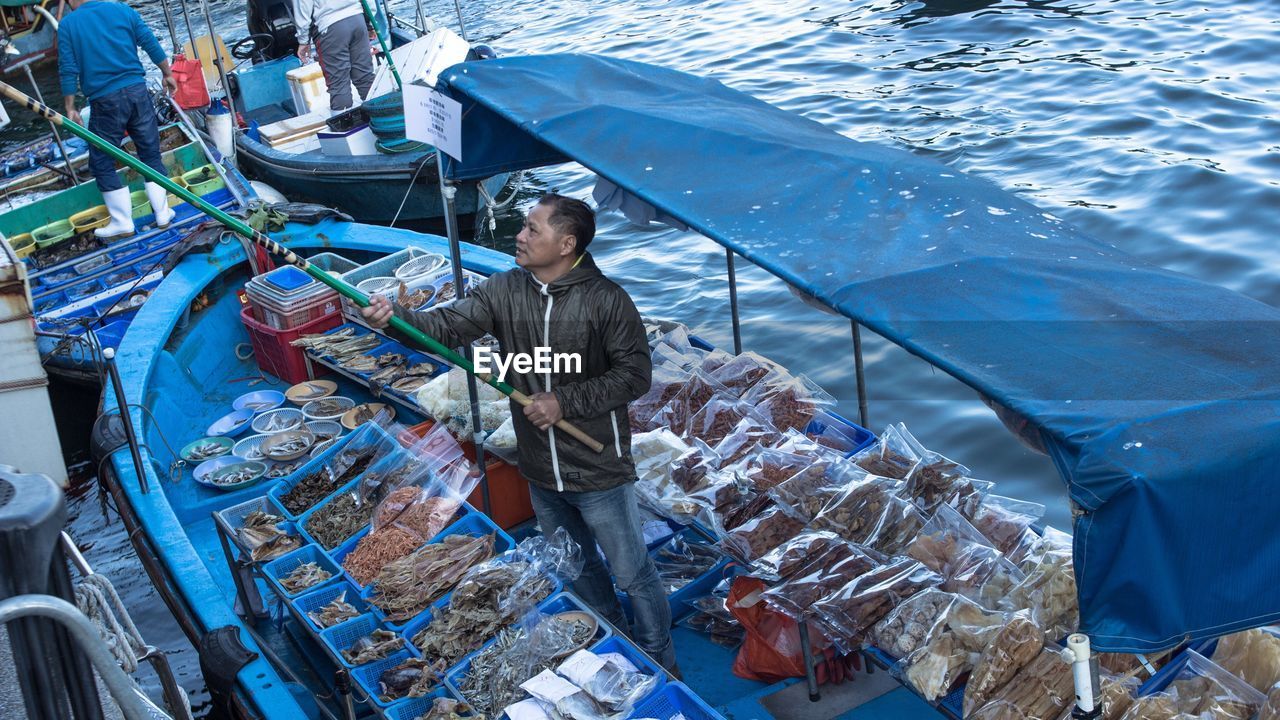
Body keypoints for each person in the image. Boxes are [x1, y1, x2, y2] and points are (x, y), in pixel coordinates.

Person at [362, 194, 679, 672]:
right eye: (524, 227)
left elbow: (635, 375)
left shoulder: (607, 301)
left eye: (533, 229)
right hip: (536, 468)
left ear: (566, 243)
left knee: (633, 573)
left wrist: (563, 401)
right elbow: (447, 326)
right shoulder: (505, 288)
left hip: (598, 470)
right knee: (578, 565)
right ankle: (609, 635)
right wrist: (397, 319)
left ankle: (658, 659)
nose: (521, 235)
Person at [58, 0, 177, 240]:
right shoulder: (122, 9)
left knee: (101, 160)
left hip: (106, 101)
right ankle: (163, 214)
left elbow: (68, 68)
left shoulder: (68, 25)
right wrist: (167, 73)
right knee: (150, 153)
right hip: (138, 92)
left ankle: (123, 222)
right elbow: (149, 42)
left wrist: (70, 107)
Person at [293, 0, 375, 112]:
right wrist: (369, 23)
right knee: (365, 76)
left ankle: (345, 125)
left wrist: (303, 41)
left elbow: (303, 7)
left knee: (339, 84)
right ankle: (382, 117)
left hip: (329, 26)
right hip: (357, 19)